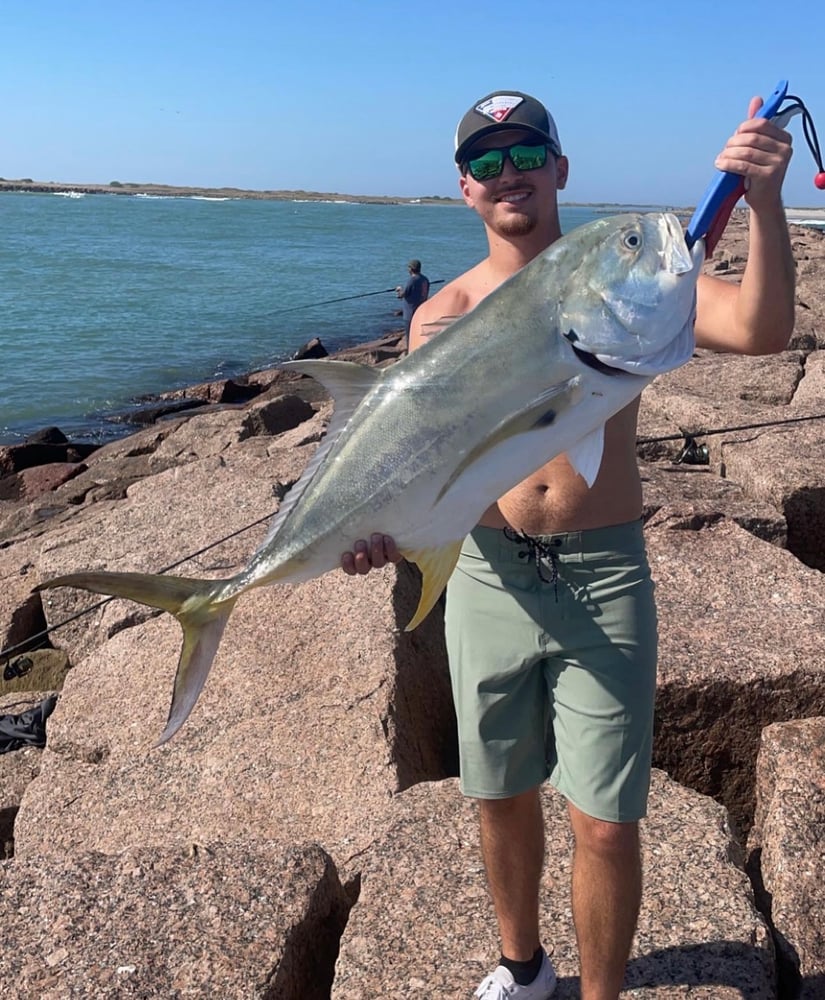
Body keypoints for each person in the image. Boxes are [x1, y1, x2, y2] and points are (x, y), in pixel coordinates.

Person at [342, 90, 794, 1000]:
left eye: (525, 155)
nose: (507, 175)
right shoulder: (441, 315)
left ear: (560, 169)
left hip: (603, 572)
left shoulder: (628, 284)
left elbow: (760, 329)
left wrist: (765, 204)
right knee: (498, 797)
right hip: (484, 577)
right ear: (464, 190)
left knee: (605, 821)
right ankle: (523, 969)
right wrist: (374, 536)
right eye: (486, 162)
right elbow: (417, 462)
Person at [396, 258, 430, 338]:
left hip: (410, 314)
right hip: (421, 311)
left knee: (410, 337)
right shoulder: (425, 279)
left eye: (408, 267)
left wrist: (399, 289)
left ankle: (410, 350)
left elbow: (403, 294)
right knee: (418, 336)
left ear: (411, 269)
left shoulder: (412, 280)